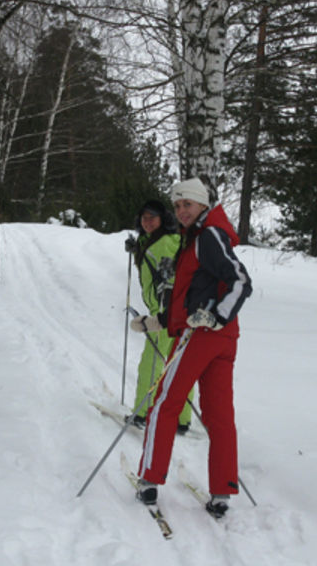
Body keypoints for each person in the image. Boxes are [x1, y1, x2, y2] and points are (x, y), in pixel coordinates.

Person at [129, 177, 252, 518]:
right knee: (218, 416)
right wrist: (158, 322)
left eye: (188, 204)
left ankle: (149, 480)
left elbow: (241, 281)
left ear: (202, 205)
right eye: (178, 205)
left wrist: (214, 316)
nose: (182, 210)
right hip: (221, 338)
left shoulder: (207, 235)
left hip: (202, 336)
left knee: (165, 404)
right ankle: (222, 492)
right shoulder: (200, 236)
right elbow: (194, 294)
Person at [124, 200, 194, 433]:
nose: (147, 222)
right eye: (144, 218)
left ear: (163, 219)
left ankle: (141, 414)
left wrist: (165, 312)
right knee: (179, 366)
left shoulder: (164, 243)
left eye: (153, 218)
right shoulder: (155, 240)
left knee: (151, 363)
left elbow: (170, 276)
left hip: (167, 315)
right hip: (180, 314)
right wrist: (137, 251)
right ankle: (182, 420)